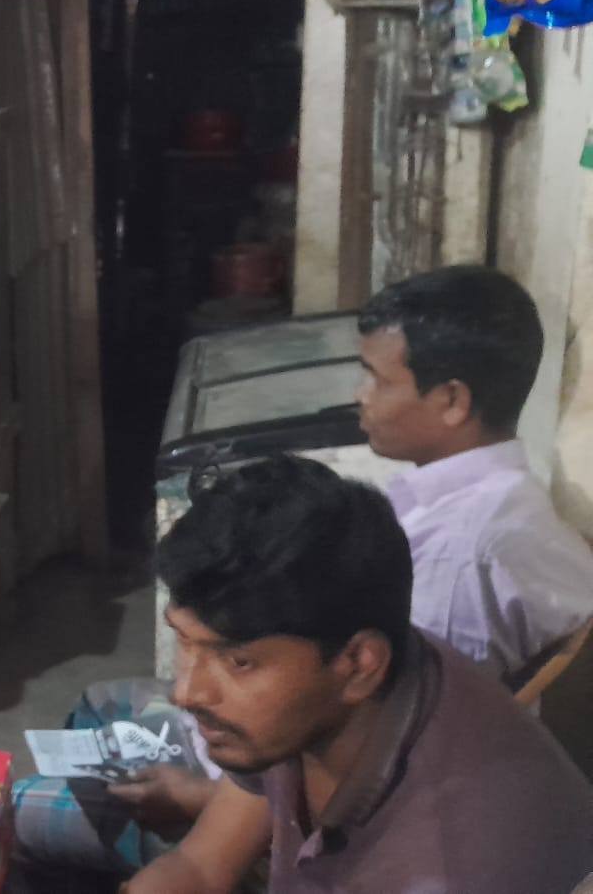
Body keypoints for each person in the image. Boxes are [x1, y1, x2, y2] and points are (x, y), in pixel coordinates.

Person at [123, 456, 593, 894]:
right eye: (185, 642)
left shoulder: (445, 865)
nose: (188, 692)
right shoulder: (311, 697)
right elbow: (199, 867)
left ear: (360, 665)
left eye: (238, 662)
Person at [358, 265, 593, 685]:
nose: (360, 396)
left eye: (379, 381)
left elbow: (423, 708)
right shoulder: (508, 498)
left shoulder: (460, 553)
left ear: (452, 400)